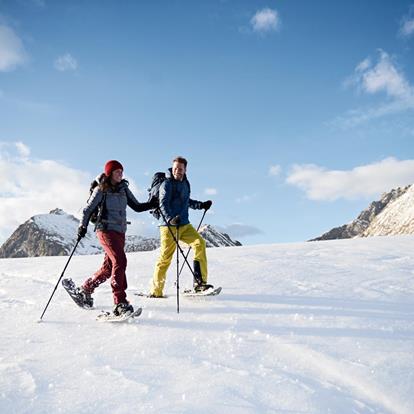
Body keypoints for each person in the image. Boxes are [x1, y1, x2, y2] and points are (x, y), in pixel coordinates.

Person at [76, 160, 157, 316]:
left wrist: (151, 204)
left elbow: (137, 206)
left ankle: (86, 289)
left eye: (121, 171)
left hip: (120, 232)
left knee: (108, 269)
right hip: (105, 230)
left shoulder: (124, 189)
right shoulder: (101, 189)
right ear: (109, 173)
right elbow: (87, 210)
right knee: (120, 261)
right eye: (117, 171)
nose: (120, 173)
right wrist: (82, 227)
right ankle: (119, 302)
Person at [150, 156, 213, 298]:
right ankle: (156, 291)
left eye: (180, 169)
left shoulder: (186, 183)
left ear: (185, 170)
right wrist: (171, 219)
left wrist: (201, 205)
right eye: (175, 168)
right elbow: (163, 204)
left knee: (200, 244)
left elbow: (186, 202)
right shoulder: (166, 184)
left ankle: (199, 284)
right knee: (165, 258)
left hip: (184, 224)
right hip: (168, 226)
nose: (177, 171)